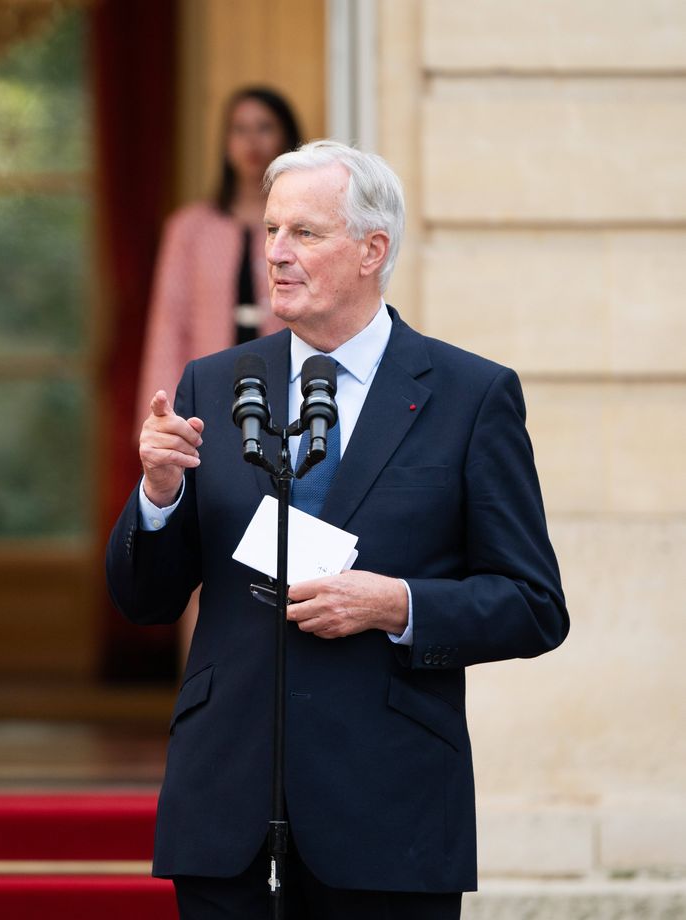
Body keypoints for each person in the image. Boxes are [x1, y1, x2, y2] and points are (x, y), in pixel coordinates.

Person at [105, 141, 568, 918]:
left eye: (305, 235)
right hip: (227, 805)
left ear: (371, 250)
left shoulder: (468, 395)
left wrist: (398, 605)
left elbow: (533, 604)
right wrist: (157, 493)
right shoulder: (213, 384)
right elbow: (145, 600)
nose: (277, 256)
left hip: (389, 812)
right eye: (271, 232)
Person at [136, 86, 302, 424]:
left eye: (265, 127)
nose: (251, 141)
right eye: (239, 129)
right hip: (208, 398)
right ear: (225, 143)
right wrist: (161, 413)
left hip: (290, 391)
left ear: (287, 137)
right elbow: (168, 325)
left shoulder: (304, 225)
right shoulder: (189, 227)